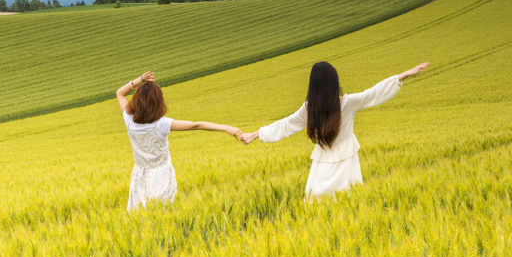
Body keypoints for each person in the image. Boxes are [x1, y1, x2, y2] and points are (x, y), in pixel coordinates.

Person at [239, 61, 429, 199]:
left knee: (317, 199)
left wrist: (255, 134)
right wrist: (402, 76)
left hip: (322, 163)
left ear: (312, 85)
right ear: (334, 82)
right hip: (346, 161)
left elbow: (286, 124)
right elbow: (374, 93)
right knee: (349, 198)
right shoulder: (346, 103)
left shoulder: (309, 107)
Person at [118, 71, 243, 211]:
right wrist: (226, 128)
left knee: (140, 215)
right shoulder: (162, 124)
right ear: (158, 103)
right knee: (163, 214)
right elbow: (196, 125)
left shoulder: (129, 120)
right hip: (162, 176)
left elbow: (120, 93)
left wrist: (139, 80)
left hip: (139, 176)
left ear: (136, 100)